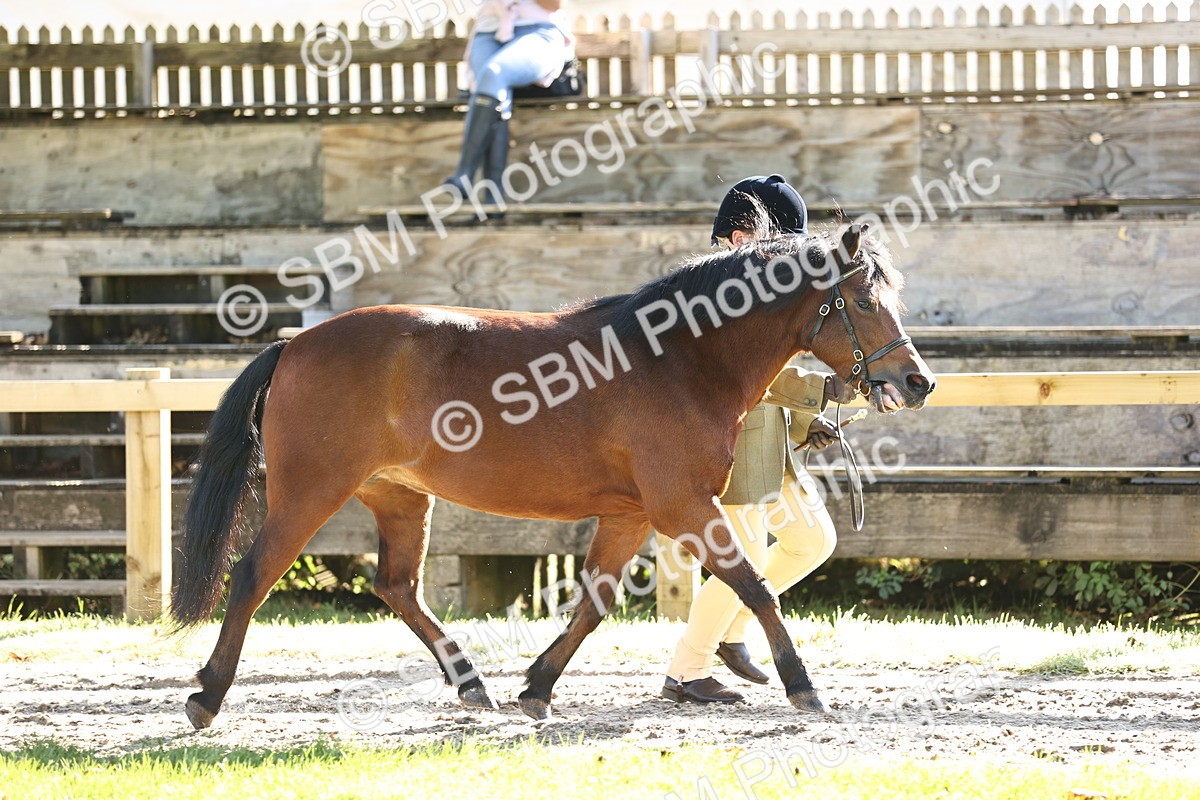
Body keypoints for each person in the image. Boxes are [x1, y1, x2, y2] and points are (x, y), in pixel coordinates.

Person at [662, 174, 855, 704]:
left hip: (774, 446)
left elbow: (773, 375)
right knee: (743, 554)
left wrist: (807, 423)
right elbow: (744, 378)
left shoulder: (768, 296)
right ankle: (687, 671)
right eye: (783, 244)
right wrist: (820, 390)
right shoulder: (714, 296)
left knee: (813, 541)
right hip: (735, 448)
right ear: (742, 238)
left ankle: (731, 631)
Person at [445, 1, 573, 203]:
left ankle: (464, 173)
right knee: (493, 92)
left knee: (493, 73)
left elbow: (555, 4)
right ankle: (493, 203)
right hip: (488, 30)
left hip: (537, 29)